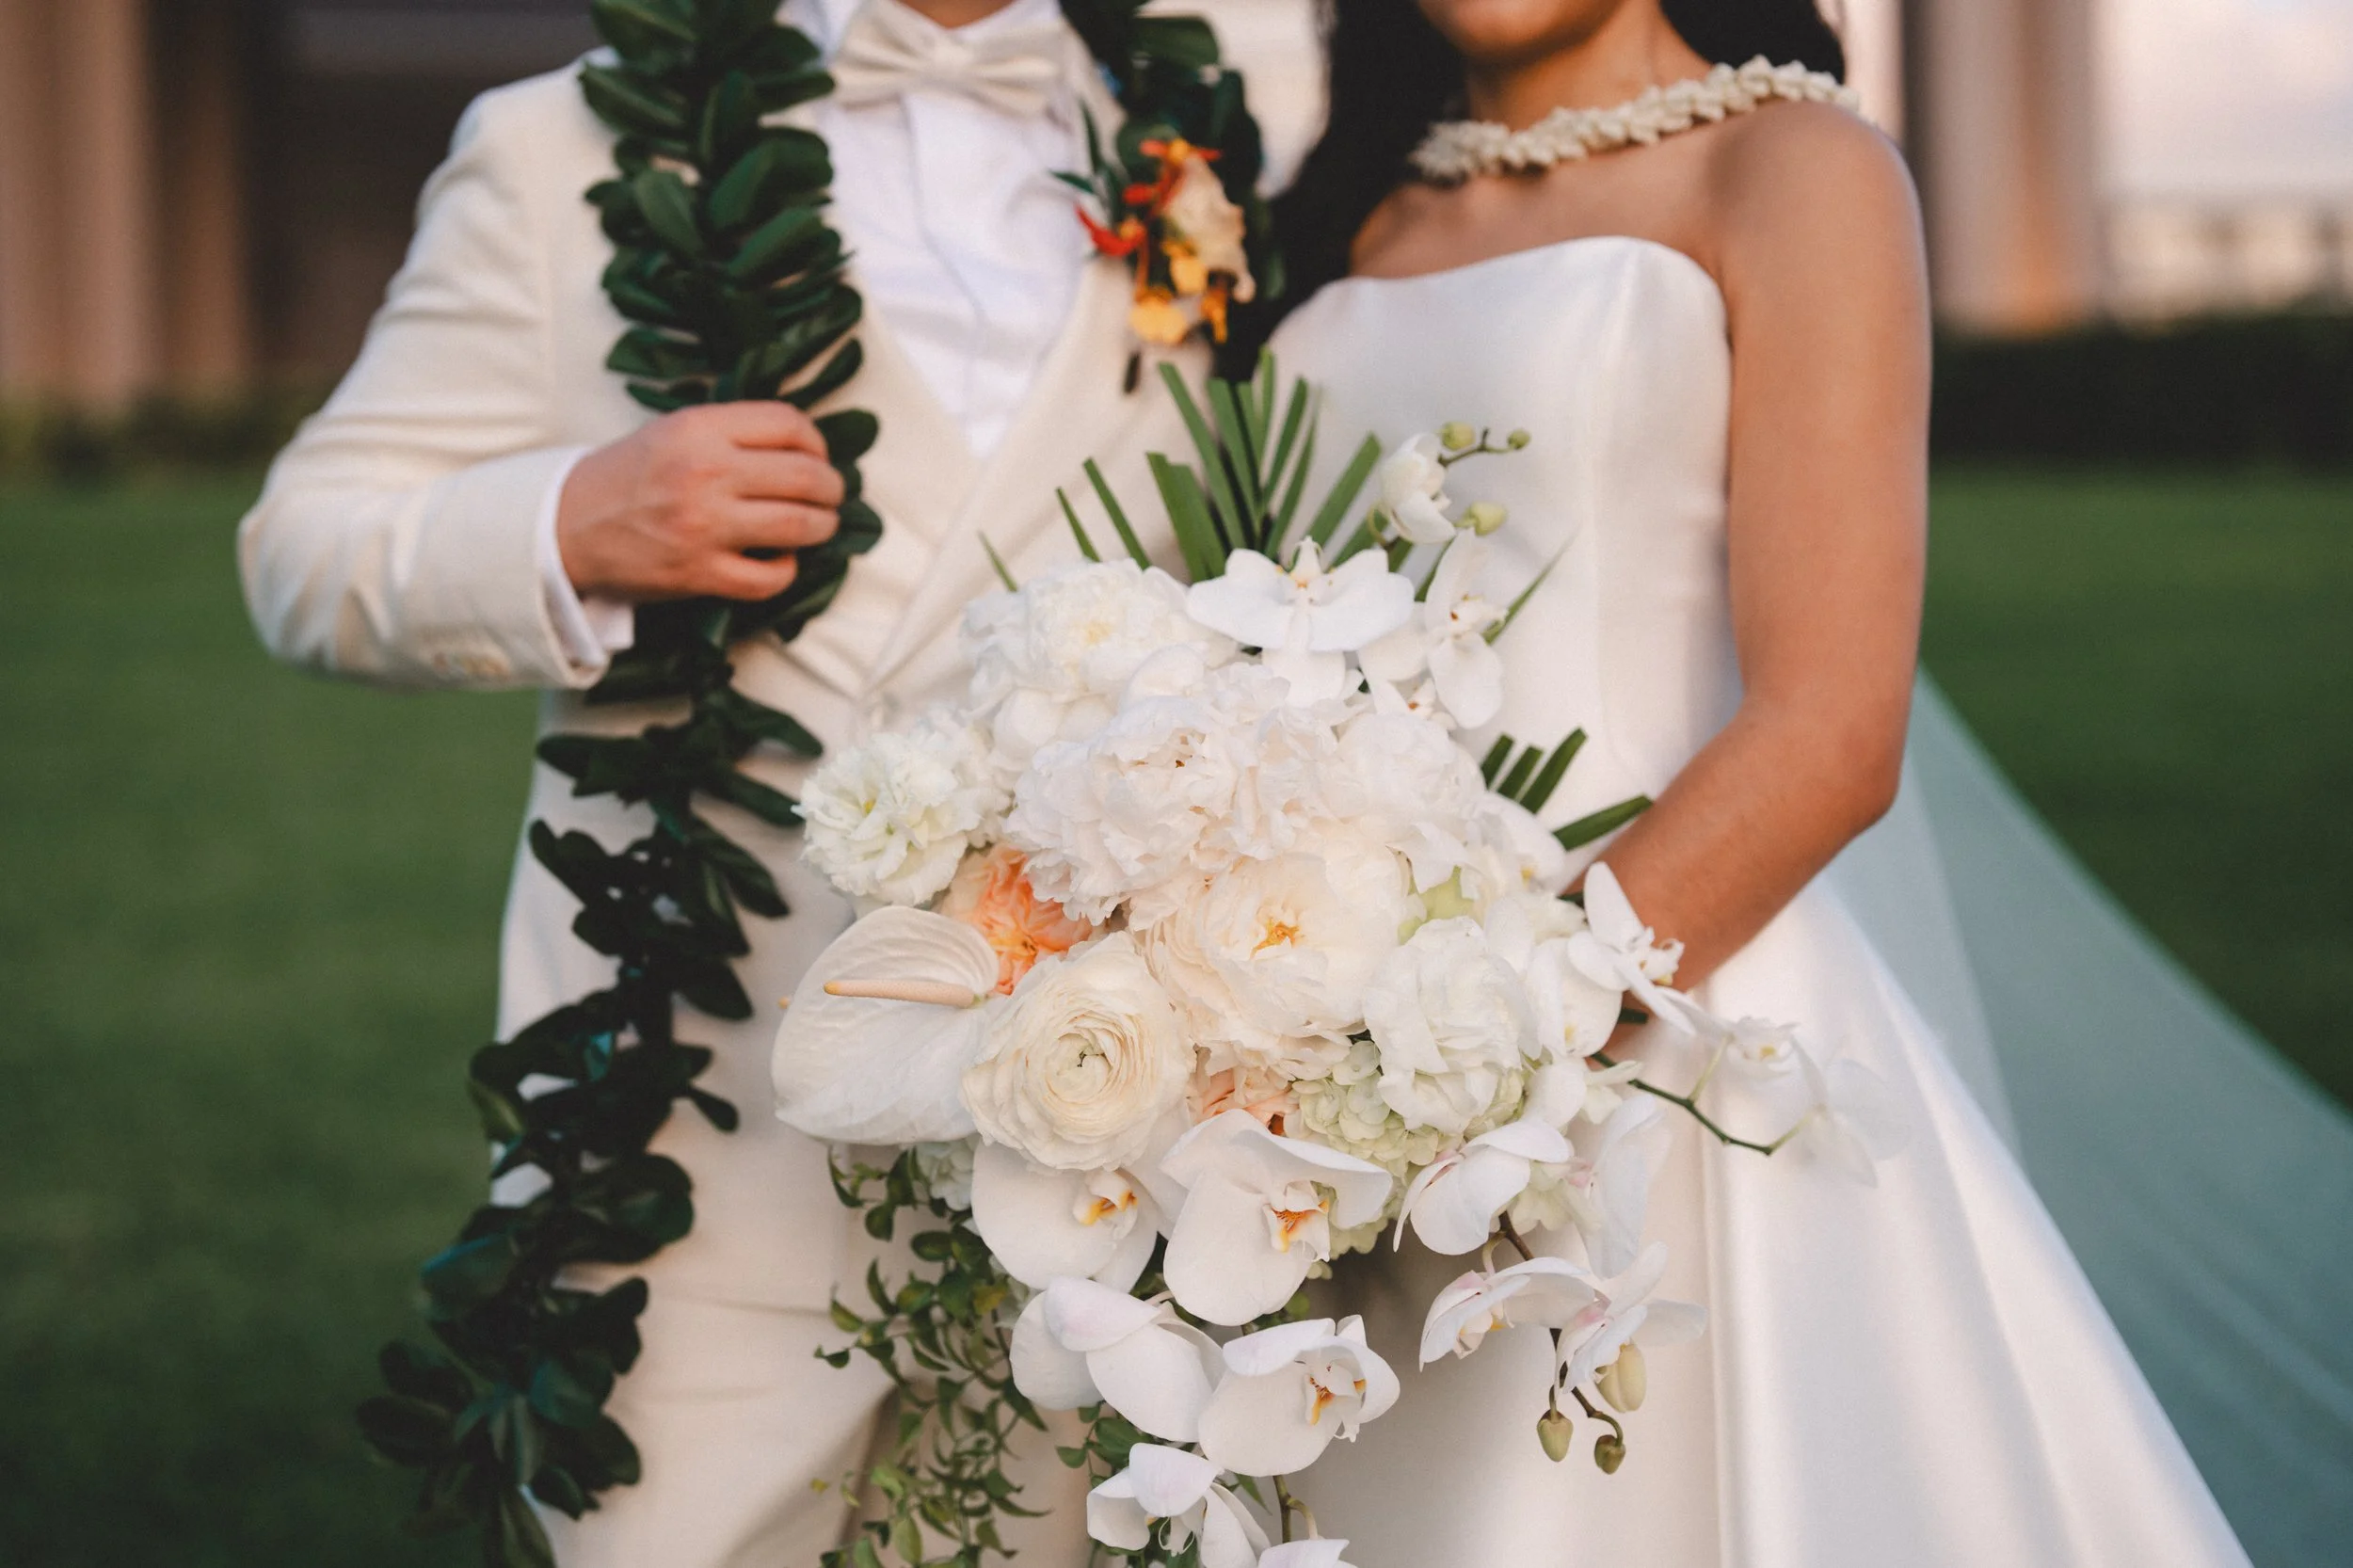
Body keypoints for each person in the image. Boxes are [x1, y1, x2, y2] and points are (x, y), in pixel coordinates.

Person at [235, 1, 1304, 1562]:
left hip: (1081, 1150)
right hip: (694, 1146)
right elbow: (303, 548)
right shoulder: (566, 148)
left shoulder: (1205, 144)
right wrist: (569, 521)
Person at [1252, 1, 2255, 1561]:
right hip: (1312, 1057)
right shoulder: (1346, 212)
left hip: (1655, 1011)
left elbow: (1830, 734)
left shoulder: (1796, 169)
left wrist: (1451, 1084)